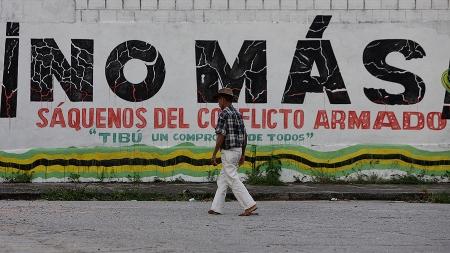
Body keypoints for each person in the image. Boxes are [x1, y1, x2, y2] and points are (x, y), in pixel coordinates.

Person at [208, 87, 257, 216]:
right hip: (238, 151)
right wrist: (243, 153)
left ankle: (249, 204)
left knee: (232, 178)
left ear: (223, 99)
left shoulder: (224, 113)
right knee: (224, 179)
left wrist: (214, 154)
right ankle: (216, 207)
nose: (218, 103)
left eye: (219, 100)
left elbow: (221, 135)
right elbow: (244, 135)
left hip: (228, 151)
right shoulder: (237, 114)